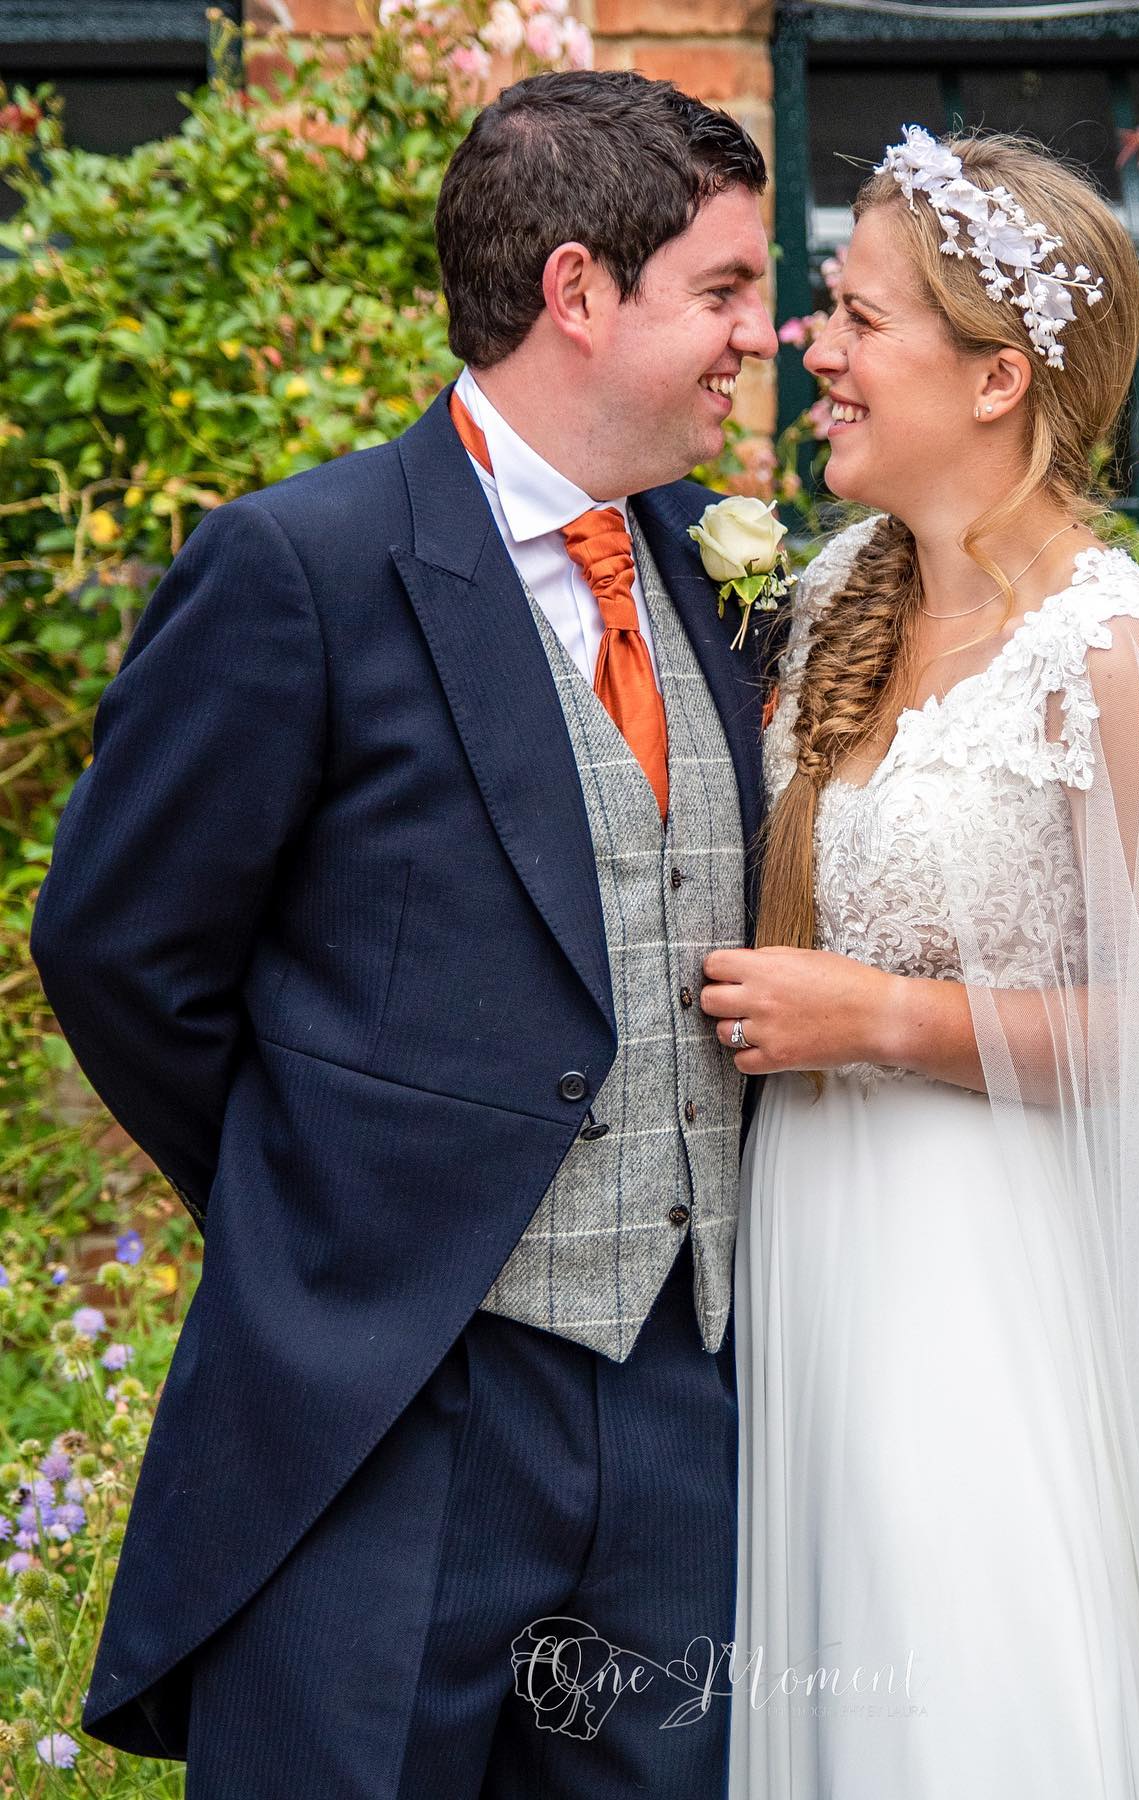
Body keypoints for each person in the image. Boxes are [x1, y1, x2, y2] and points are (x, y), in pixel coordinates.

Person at [29, 70, 779, 1799]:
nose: (766, 334)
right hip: (394, 1409)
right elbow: (118, 947)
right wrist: (322, 1195)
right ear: (579, 290)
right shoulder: (301, 564)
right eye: (725, 293)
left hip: (684, 1405)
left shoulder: (715, 568)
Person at [701, 128, 1139, 1797]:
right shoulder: (825, 602)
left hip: (984, 1286)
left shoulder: (1110, 647)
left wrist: (885, 1015)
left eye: (856, 316)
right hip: (817, 1256)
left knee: (964, 1696)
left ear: (997, 378)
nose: (812, 347)